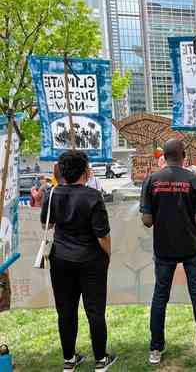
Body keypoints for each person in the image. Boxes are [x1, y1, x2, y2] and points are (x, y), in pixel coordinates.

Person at [140, 139, 196, 365]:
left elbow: (146, 220)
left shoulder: (151, 181)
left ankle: (155, 349)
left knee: (160, 296)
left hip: (163, 247)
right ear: (184, 155)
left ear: (163, 156)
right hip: (191, 246)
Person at [41, 151, 116, 372]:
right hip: (91, 260)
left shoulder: (52, 193)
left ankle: (69, 360)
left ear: (62, 171)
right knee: (95, 311)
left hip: (61, 259)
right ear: (85, 170)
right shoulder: (93, 196)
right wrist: (108, 255)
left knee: (65, 311)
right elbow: (102, 235)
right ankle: (101, 360)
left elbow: (48, 223)